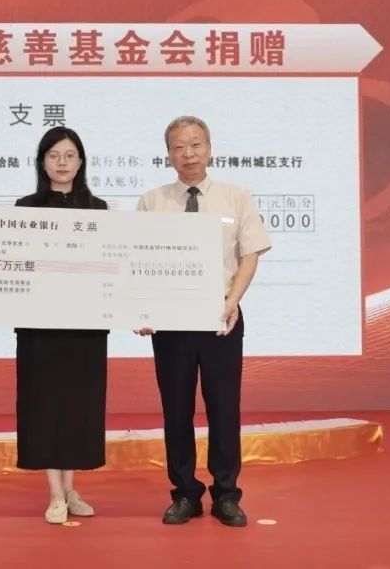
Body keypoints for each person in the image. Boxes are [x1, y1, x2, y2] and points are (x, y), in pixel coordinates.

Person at [136, 115, 271, 527]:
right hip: (171, 325)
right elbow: (137, 260)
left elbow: (250, 254)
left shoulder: (236, 197)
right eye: (179, 147)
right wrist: (143, 309)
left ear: (210, 149)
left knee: (224, 409)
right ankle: (185, 493)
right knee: (176, 410)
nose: (188, 154)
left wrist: (232, 301)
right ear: (168, 154)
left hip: (220, 320)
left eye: (196, 145)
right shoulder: (152, 201)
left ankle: (226, 494)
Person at [14, 127, 109, 524]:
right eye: (54, 155)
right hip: (40, 328)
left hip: (85, 328)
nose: (62, 162)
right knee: (45, 406)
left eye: (70, 155)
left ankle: (70, 489)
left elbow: (109, 265)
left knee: (78, 407)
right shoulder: (25, 208)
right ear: (42, 163)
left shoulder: (98, 209)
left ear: (81, 161)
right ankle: (54, 493)